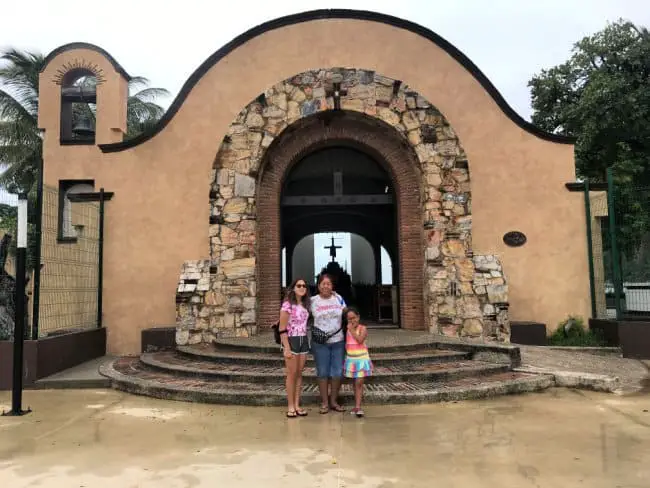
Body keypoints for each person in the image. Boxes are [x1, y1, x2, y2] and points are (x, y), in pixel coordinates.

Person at [310, 273, 347, 414]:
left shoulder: (338, 298)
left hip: (338, 341)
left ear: (332, 286)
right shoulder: (312, 301)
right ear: (318, 286)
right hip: (320, 343)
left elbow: (347, 314)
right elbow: (299, 313)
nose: (326, 286)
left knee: (337, 372)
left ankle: (334, 401)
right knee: (323, 372)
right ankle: (325, 403)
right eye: (323, 283)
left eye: (329, 284)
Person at [278, 278, 311, 418]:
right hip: (292, 340)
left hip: (303, 339)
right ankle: (290, 406)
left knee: (299, 373)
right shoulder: (287, 305)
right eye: (299, 285)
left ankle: (297, 404)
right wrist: (286, 347)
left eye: (304, 285)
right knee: (291, 374)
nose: (302, 287)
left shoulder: (305, 305)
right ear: (293, 288)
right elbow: (282, 328)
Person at [343, 307, 373, 418]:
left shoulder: (362, 328)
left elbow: (360, 340)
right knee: (355, 384)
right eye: (349, 319)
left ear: (358, 317)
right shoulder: (346, 329)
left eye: (354, 318)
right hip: (351, 359)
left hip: (361, 359)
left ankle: (359, 407)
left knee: (359, 382)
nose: (352, 321)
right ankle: (356, 406)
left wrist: (351, 330)